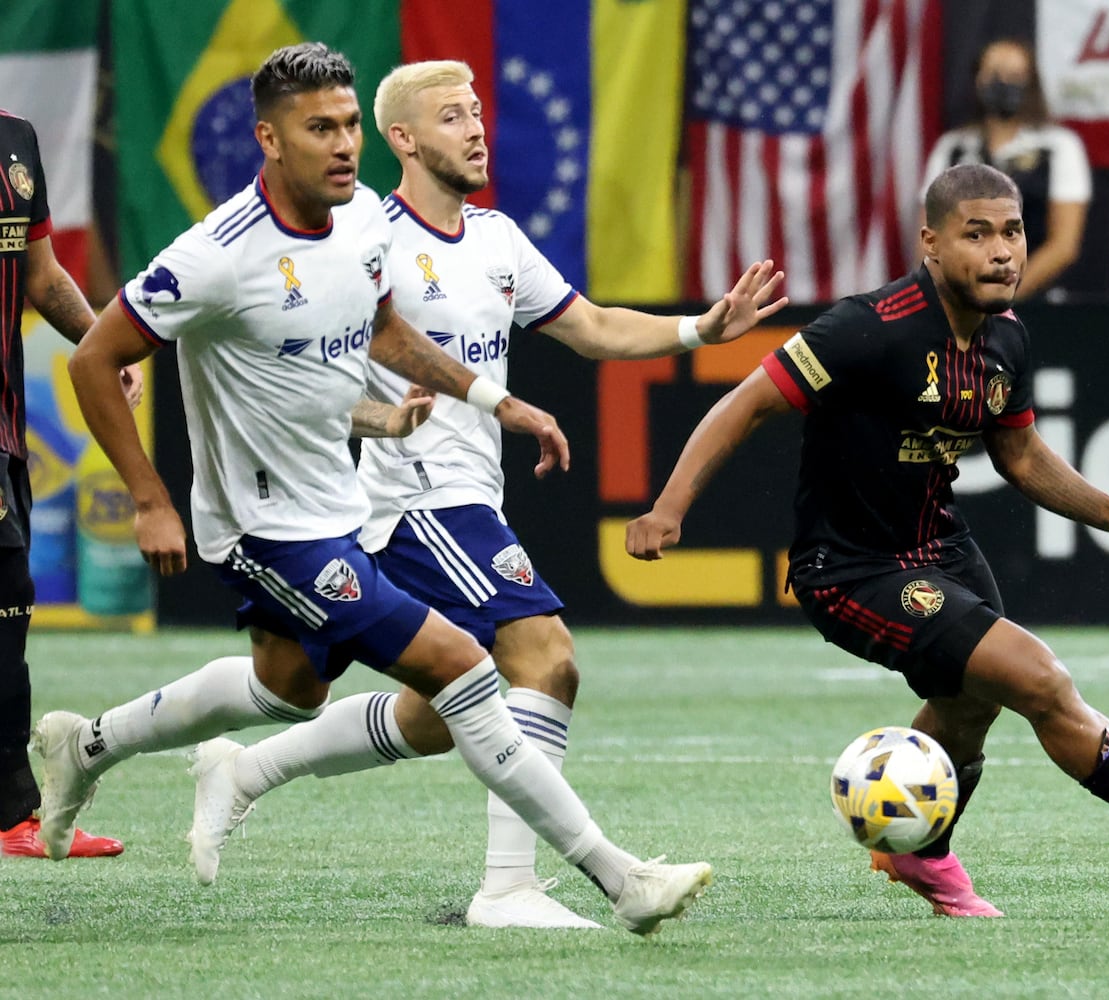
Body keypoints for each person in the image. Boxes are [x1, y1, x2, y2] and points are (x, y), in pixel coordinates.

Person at [34, 42, 711, 936]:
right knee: (473, 667)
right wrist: (150, 499)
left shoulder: (359, 225)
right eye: (320, 128)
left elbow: (382, 332)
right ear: (269, 140)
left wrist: (488, 402)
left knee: (287, 691)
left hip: (338, 510)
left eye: (349, 124)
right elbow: (94, 357)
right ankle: (604, 881)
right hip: (263, 530)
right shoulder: (217, 255)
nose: (343, 144)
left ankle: (85, 746)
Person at [178, 59, 787, 930]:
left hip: (469, 498)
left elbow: (592, 326)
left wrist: (701, 327)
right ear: (403, 138)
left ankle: (248, 770)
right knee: (547, 655)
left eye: (477, 113)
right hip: (410, 497)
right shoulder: (358, 235)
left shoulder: (497, 238)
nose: (476, 128)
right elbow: (297, 343)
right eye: (453, 115)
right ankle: (509, 889)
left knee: (439, 713)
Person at [625, 163, 1109, 918]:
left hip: (941, 549)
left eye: (1012, 232)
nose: (1002, 251)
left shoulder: (1006, 340)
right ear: (931, 244)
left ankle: (919, 856)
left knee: (970, 710)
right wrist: (669, 508)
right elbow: (743, 404)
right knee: (1039, 679)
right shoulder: (868, 328)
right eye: (978, 234)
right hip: (849, 569)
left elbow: (1024, 458)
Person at [0, 108, 136, 859]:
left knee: (8, 607)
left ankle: (14, 814)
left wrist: (103, 345)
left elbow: (43, 276)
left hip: (5, 429)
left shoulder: (16, 140)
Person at [921, 38, 1090, 302]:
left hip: (1037, 301)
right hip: (960, 303)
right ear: (977, 80)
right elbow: (930, 233)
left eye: (1014, 75)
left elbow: (1063, 245)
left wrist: (1005, 294)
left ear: (1031, 83)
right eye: (993, 74)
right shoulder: (953, 149)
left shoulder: (1057, 148)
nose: (1002, 83)